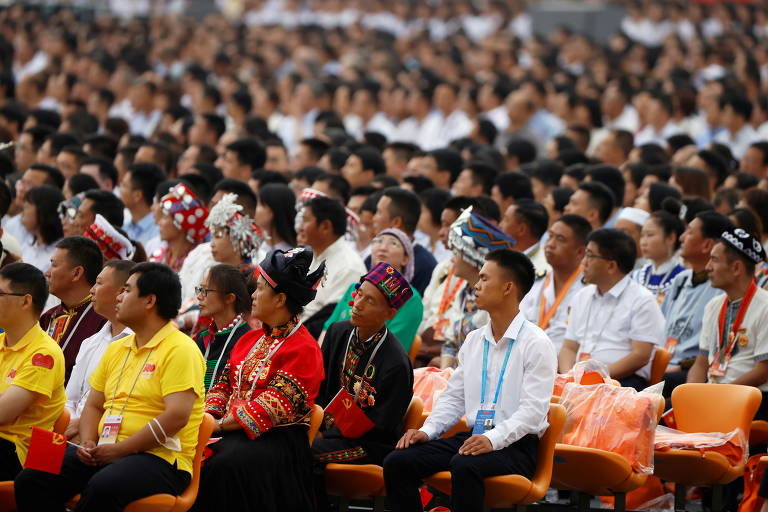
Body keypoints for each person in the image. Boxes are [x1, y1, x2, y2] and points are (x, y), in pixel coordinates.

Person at [15, 262, 206, 511]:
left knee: (102, 486)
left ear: (149, 301)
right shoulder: (117, 348)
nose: (119, 296)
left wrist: (120, 450)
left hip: (160, 458)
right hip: (106, 449)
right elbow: (94, 404)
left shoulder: (181, 348)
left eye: (126, 291)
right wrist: (87, 442)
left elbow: (177, 416)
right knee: (32, 477)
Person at [383, 249, 556, 512]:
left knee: (464, 464)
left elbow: (533, 413)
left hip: (516, 446)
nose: (476, 285)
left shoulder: (537, 343)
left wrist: (493, 439)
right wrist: (427, 431)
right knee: (398, 460)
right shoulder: (475, 340)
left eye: (485, 279)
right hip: (476, 437)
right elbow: (454, 398)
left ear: (508, 287)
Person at [193, 248, 325, 512]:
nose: (252, 295)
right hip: (230, 432)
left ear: (280, 299)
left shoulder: (304, 349)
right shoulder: (249, 338)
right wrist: (207, 419)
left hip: (274, 441)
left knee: (222, 464)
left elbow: (269, 407)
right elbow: (222, 386)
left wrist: (217, 426)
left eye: (260, 289)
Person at [313, 262, 414, 468]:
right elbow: (319, 386)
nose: (358, 304)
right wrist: (314, 425)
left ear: (390, 314)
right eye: (359, 294)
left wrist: (326, 434)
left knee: (304, 452)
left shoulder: (396, 363)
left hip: (368, 445)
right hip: (327, 429)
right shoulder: (337, 332)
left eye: (370, 300)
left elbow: (382, 425)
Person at [560, 228, 665, 390]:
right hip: (579, 382)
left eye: (590, 255)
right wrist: (569, 378)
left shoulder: (642, 300)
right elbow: (569, 347)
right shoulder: (582, 296)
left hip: (621, 382)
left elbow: (641, 355)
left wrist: (598, 378)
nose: (583, 263)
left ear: (611, 266)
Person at [686, 228, 768, 414]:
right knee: (654, 413)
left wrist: (720, 395)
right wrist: (690, 396)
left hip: (749, 399)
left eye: (714, 260)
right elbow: (700, 364)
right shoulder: (713, 306)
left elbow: (763, 371)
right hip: (714, 394)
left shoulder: (765, 307)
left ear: (737, 268)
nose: (707, 267)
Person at [0, 263, 65, 480]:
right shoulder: (1, 342)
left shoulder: (44, 354)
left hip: (18, 453)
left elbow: (3, 413)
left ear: (25, 301)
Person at [660, 211, 731, 396]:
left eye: (689, 232)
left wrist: (680, 366)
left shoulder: (721, 287)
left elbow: (718, 349)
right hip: (663, 363)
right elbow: (661, 326)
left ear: (707, 244)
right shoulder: (680, 280)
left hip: (691, 370)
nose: (682, 237)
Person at [320, 228, 424, 352]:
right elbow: (327, 330)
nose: (383, 248)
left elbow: (391, 349)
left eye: (393, 243)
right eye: (378, 241)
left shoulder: (410, 299)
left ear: (405, 259)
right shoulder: (354, 287)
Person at [64, 260, 134, 441]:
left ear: (121, 292)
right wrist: (73, 424)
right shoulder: (90, 342)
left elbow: (129, 406)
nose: (92, 290)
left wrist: (84, 425)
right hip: (72, 433)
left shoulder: (140, 343)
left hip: (110, 438)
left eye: (99, 283)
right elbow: (70, 399)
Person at [440, 207, 516, 369]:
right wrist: (444, 374)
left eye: (457, 253)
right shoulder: (464, 293)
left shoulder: (498, 300)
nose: (452, 259)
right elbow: (450, 344)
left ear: (471, 257)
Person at [41, 236, 107, 382]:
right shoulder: (48, 317)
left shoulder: (102, 321)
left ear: (76, 273)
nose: (47, 272)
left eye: (54, 265)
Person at [520, 214, 590, 352]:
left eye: (560, 239)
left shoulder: (588, 288)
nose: (550, 244)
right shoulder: (536, 282)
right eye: (550, 236)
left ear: (580, 251)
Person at [297, 196, 366, 335]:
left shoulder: (349, 266)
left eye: (305, 220)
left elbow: (333, 320)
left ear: (325, 226)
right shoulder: (308, 255)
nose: (299, 227)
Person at [194, 264, 253, 390]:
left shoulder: (246, 340)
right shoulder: (201, 338)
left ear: (229, 298)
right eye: (199, 289)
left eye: (206, 291)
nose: (199, 296)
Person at [370, 187, 437, 295]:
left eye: (379, 212)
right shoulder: (377, 254)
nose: (373, 218)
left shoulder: (425, 265)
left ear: (396, 222)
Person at [149, 182, 209, 272]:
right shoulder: (156, 257)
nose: (159, 223)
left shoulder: (197, 261)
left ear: (180, 224)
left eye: (165, 218)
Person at [631, 211, 686, 302]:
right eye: (642, 235)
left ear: (670, 238)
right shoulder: (637, 276)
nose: (643, 242)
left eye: (650, 235)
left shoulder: (682, 278)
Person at [499, 199, 550, 276]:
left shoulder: (543, 269)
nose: (500, 225)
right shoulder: (502, 254)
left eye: (506, 220)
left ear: (521, 229)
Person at [119, 163, 165, 246]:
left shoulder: (159, 232)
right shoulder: (124, 226)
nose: (119, 189)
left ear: (137, 195)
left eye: (124, 185)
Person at [21, 185, 64, 270]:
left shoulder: (59, 253)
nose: (22, 214)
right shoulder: (26, 247)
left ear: (43, 210)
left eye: (26, 207)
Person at [255, 183, 297, 251]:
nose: (256, 210)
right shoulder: (259, 246)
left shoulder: (289, 254)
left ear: (272, 212)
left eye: (260, 205)